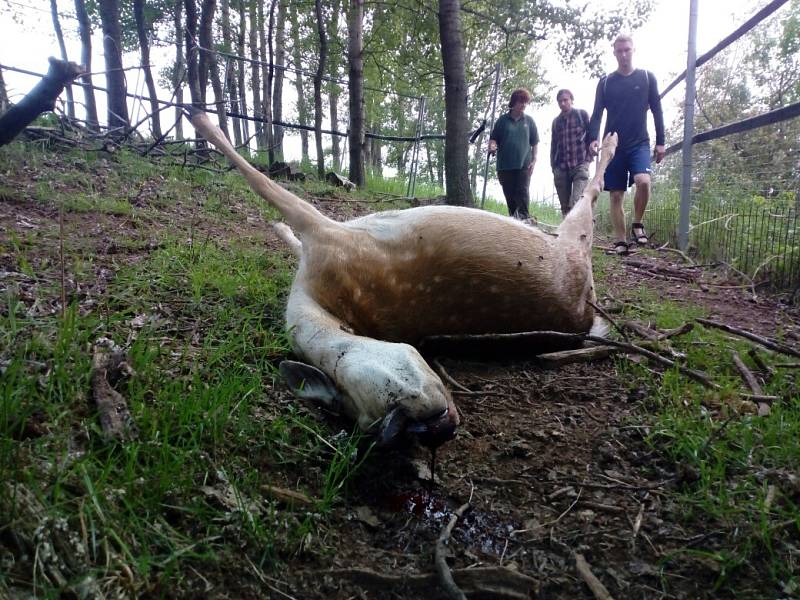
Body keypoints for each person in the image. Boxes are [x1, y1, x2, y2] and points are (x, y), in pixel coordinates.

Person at [588, 33, 665, 255]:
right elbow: (596, 114)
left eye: (627, 50)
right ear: (614, 53)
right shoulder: (605, 83)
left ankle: (637, 223)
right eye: (619, 51)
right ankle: (621, 241)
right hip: (613, 145)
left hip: (639, 141)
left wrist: (661, 142)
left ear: (633, 50)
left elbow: (658, 110)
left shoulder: (647, 78)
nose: (623, 54)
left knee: (643, 181)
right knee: (615, 194)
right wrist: (593, 138)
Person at [488, 88, 539, 220]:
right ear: (514, 102)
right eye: (521, 102)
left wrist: (534, 160)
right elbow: (494, 139)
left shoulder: (529, 121)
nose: (524, 105)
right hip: (505, 166)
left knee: (522, 194)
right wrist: (492, 147)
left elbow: (535, 142)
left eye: (526, 103)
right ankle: (513, 222)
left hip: (524, 165)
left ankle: (525, 222)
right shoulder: (502, 121)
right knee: (510, 196)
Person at [550, 89, 592, 217]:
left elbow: (592, 137)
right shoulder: (556, 122)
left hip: (580, 164)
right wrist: (553, 166)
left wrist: (588, 160)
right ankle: (566, 235)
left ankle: (577, 234)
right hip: (561, 167)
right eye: (560, 101)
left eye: (565, 100)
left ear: (571, 100)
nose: (563, 103)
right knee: (564, 207)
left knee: (577, 203)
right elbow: (553, 145)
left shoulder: (582, 115)